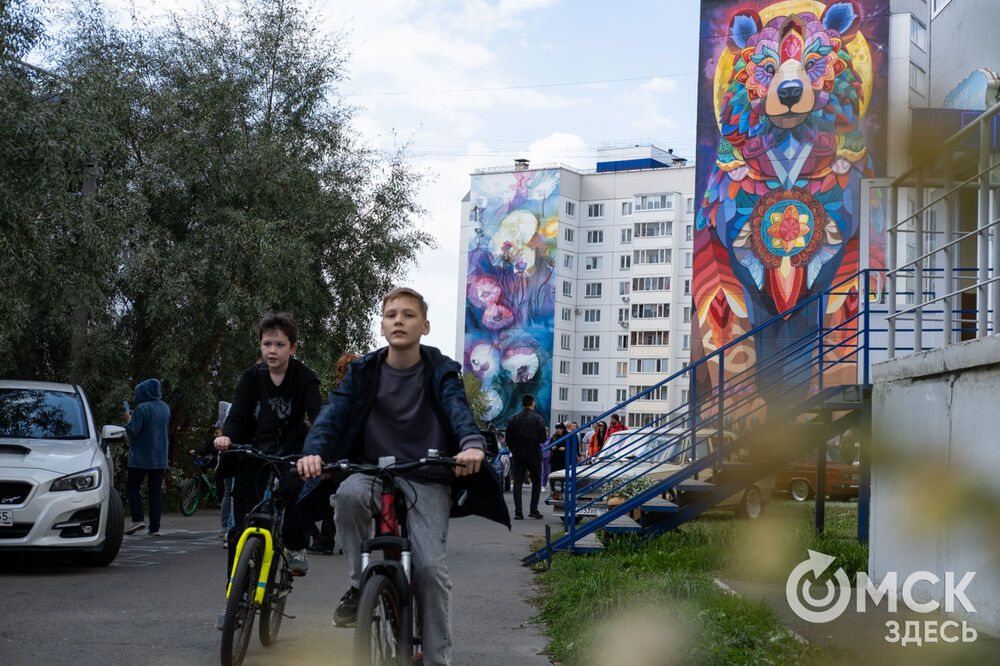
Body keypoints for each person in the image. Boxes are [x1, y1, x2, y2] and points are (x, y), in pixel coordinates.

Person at [297, 287, 508, 666]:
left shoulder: (441, 370)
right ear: (381, 326)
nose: (399, 320)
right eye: (391, 314)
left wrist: (472, 444)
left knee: (428, 568)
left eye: (408, 314)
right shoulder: (363, 371)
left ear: (424, 325)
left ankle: (436, 658)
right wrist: (314, 450)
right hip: (371, 472)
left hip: (426, 477)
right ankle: (360, 584)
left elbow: (458, 409)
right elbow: (334, 413)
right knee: (346, 495)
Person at [214, 312, 322, 627]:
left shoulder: (306, 378)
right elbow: (238, 413)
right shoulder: (251, 377)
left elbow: (318, 417)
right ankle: (233, 601)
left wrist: (316, 451)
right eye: (266, 344)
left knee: (296, 490)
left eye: (279, 344)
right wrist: (227, 437)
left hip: (292, 454)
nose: (271, 350)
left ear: (293, 348)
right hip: (255, 454)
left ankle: (296, 543)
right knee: (239, 531)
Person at [124, 378, 171, 536]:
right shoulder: (165, 407)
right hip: (161, 457)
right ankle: (155, 528)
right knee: (155, 491)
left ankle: (138, 518)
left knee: (132, 487)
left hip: (140, 457)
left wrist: (129, 420)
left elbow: (133, 431)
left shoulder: (141, 408)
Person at [506, 394, 547, 520]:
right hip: (534, 455)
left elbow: (509, 439)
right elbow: (542, 439)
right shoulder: (538, 419)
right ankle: (533, 509)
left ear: (522, 403)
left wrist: (515, 450)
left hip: (519, 456)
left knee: (517, 483)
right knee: (536, 482)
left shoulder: (513, 418)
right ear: (532, 403)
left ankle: (518, 512)